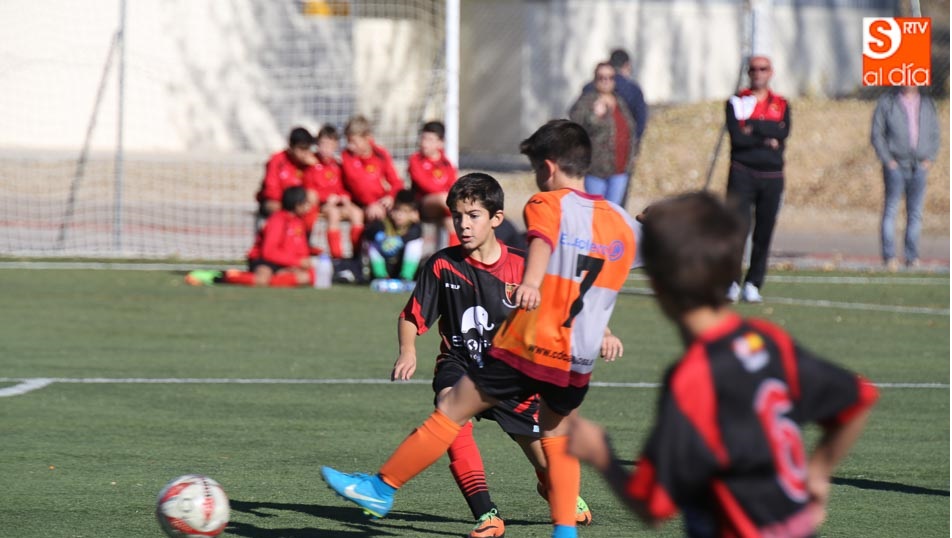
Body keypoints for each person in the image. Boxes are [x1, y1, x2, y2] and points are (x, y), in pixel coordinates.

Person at [321, 119, 640, 538]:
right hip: (574, 361)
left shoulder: (549, 206)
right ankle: (561, 532)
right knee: (557, 436)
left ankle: (381, 488)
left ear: (547, 167)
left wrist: (528, 281)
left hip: (526, 347)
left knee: (451, 409)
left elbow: (541, 244)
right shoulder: (619, 221)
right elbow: (596, 282)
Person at [566, 191, 879, 537]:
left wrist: (601, 455)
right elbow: (858, 398)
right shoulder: (767, 340)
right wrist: (817, 474)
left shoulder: (693, 378)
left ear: (657, 284)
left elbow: (654, 507)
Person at [392, 173, 591, 537]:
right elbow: (411, 316)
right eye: (457, 216)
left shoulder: (524, 267)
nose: (463, 225)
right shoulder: (441, 265)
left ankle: (554, 488)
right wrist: (408, 351)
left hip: (512, 370)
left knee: (546, 460)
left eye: (473, 216)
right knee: (448, 409)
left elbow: (566, 307)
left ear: (496, 219)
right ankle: (488, 516)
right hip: (461, 363)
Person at [724, 55, 790, 304]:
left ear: (770, 72)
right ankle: (731, 281)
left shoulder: (781, 103)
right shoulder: (737, 101)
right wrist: (766, 136)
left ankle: (753, 282)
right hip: (742, 173)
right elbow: (738, 139)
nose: (758, 73)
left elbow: (783, 132)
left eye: (763, 69)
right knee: (737, 229)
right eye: (753, 69)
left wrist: (754, 128)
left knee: (764, 231)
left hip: (772, 176)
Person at [186, 186, 315, 287]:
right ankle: (221, 276)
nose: (309, 207)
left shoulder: (299, 222)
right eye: (306, 203)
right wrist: (296, 262)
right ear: (297, 204)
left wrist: (300, 263)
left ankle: (270, 281)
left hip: (285, 263)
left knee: (306, 277)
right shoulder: (277, 220)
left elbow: (301, 250)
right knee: (262, 279)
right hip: (265, 260)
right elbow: (268, 252)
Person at [870, 86, 941, 270]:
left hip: (919, 166)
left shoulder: (927, 103)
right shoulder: (888, 102)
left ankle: (912, 256)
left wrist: (929, 159)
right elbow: (877, 133)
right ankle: (889, 257)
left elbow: (935, 133)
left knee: (915, 213)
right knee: (891, 210)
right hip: (895, 165)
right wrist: (888, 160)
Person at [570, 62, 638, 207]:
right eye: (601, 77)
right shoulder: (586, 101)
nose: (606, 81)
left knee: (614, 212)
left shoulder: (619, 102)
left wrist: (632, 156)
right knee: (596, 211)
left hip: (620, 169)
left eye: (610, 77)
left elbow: (630, 130)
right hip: (596, 170)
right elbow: (576, 127)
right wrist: (595, 116)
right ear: (595, 80)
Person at [310, 125, 365, 261]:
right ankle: (337, 257)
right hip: (323, 205)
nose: (326, 149)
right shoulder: (312, 164)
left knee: (357, 213)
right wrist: (325, 197)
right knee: (333, 214)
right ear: (318, 144)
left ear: (335, 146)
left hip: (338, 203)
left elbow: (345, 186)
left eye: (330, 145)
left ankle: (356, 256)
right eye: (323, 144)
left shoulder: (338, 165)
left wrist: (345, 196)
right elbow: (310, 188)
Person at [255, 127, 320, 236]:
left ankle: (304, 240)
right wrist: (290, 203)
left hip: (298, 204)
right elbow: (271, 189)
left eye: (307, 149)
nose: (305, 153)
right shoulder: (277, 160)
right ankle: (277, 240)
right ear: (291, 147)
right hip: (278, 202)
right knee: (275, 207)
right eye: (301, 149)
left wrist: (311, 168)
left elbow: (313, 188)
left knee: (312, 199)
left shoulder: (308, 164)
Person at [341, 114, 405, 223]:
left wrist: (390, 196)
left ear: (367, 138)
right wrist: (371, 203)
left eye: (354, 142)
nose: (350, 146)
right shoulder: (347, 157)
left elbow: (396, 182)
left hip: (380, 202)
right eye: (348, 142)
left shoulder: (381, 154)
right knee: (375, 216)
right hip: (359, 203)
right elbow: (358, 185)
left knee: (406, 215)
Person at [581, 49, 648, 148]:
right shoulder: (634, 90)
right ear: (627, 66)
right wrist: (634, 145)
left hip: (594, 147)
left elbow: (579, 117)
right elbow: (640, 122)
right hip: (623, 146)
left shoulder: (589, 87)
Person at [408, 120, 459, 247]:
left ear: (440, 143)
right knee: (446, 200)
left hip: (445, 207)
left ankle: (457, 262)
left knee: (452, 222)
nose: (424, 143)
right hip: (423, 206)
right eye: (423, 138)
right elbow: (424, 185)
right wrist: (446, 194)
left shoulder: (446, 163)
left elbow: (454, 186)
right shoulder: (415, 160)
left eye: (430, 139)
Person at [364, 189, 424, 282]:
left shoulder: (414, 227)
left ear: (413, 214)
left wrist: (399, 241)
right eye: (397, 210)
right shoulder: (384, 223)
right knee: (373, 244)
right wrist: (381, 239)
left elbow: (416, 233)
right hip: (386, 265)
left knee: (415, 243)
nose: (399, 215)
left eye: (404, 212)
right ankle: (380, 276)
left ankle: (406, 277)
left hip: (400, 266)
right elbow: (370, 231)